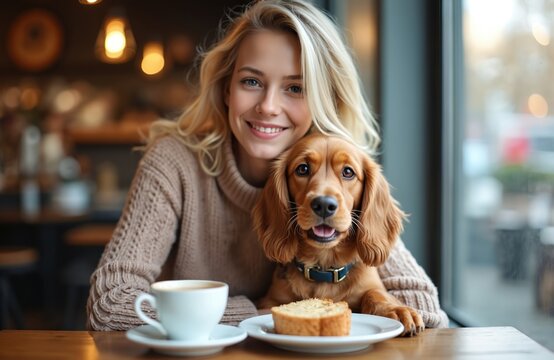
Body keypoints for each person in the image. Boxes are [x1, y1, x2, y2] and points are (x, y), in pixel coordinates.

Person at [87, 0, 448, 330]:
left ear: (323, 98)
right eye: (251, 81)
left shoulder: (339, 169)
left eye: (295, 88)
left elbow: (424, 308)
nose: (268, 106)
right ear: (227, 89)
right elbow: (109, 304)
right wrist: (261, 313)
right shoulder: (173, 164)